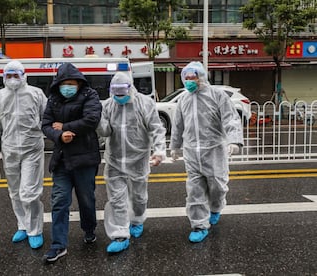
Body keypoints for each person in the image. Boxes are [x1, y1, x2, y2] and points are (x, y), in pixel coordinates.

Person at [170, 61, 243, 243]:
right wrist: (175, 146)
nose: (188, 81)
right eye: (185, 78)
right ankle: (199, 225)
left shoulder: (216, 95)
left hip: (214, 150)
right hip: (192, 152)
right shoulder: (183, 100)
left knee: (217, 186)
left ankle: (216, 207)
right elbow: (178, 125)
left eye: (192, 77)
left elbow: (230, 118)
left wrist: (234, 141)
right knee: (194, 190)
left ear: (201, 77)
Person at [97, 72, 166, 253]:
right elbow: (104, 132)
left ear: (131, 88)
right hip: (115, 160)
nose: (119, 97)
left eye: (123, 92)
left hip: (139, 160)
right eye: (116, 93)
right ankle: (120, 234)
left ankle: (137, 219)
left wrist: (159, 151)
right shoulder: (108, 105)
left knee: (138, 198)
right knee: (117, 199)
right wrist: (97, 120)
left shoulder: (145, 103)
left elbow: (156, 129)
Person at [41, 63, 102, 263]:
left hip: (85, 158)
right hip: (61, 160)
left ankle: (89, 229)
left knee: (86, 200)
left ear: (78, 82)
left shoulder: (89, 95)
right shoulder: (53, 99)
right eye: (64, 83)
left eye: (72, 83)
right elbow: (46, 124)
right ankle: (58, 245)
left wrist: (66, 127)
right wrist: (59, 135)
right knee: (59, 201)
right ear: (58, 84)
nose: (68, 87)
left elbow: (92, 120)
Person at [0, 60, 48, 249]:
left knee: (29, 192)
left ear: (23, 75)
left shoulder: (36, 94)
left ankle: (35, 230)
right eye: (9, 75)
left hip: (32, 149)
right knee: (15, 192)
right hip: (9, 149)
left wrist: (45, 134)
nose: (12, 79)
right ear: (4, 77)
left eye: (16, 75)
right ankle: (23, 225)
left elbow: (48, 117)